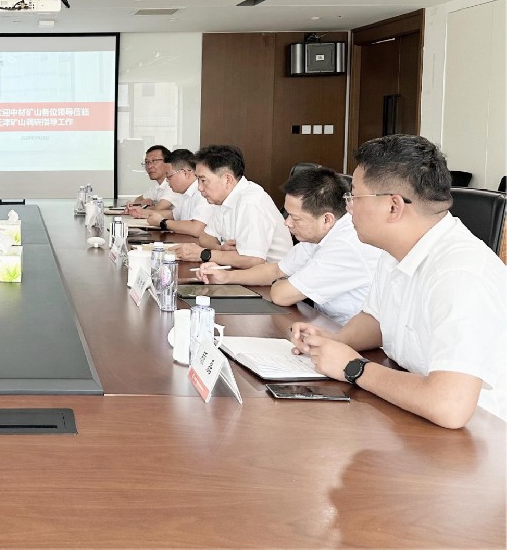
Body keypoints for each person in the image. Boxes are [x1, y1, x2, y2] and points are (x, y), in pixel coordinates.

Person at [289, 135, 505, 428]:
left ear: (393, 207)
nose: (348, 209)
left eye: (354, 198)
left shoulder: (461, 275)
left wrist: (353, 367)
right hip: (412, 413)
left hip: (483, 435)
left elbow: (449, 406)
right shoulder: (395, 250)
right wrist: (332, 342)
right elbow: (376, 320)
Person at [198, 167, 383, 324]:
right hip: (324, 324)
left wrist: (285, 280)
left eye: (295, 218)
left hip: (354, 339)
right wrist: (226, 277)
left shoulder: (345, 245)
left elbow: (282, 295)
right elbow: (276, 270)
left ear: (326, 219)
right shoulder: (318, 234)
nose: (287, 223)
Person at [172, 145, 292, 268]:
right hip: (241, 272)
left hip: (273, 277)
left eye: (203, 180)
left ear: (227, 179)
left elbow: (252, 260)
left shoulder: (251, 202)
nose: (199, 188)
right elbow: (205, 237)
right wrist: (220, 248)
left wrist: (204, 254)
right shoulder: (222, 199)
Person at [134, 149, 216, 237]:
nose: (167, 180)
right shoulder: (185, 193)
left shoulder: (202, 193)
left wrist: (162, 222)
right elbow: (173, 214)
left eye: (169, 176)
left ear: (185, 173)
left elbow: (196, 229)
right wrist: (141, 212)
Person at [125, 145, 176, 214]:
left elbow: (159, 208)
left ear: (167, 163)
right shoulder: (157, 185)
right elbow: (138, 199)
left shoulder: (173, 183)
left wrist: (142, 207)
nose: (149, 166)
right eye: (147, 162)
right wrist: (143, 202)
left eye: (154, 161)